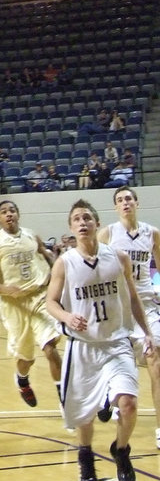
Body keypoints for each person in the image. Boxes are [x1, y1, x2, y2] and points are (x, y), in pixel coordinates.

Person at [46, 199, 154, 481]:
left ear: (96, 224)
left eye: (87, 218)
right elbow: (50, 302)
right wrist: (67, 316)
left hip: (117, 342)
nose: (82, 223)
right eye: (76, 219)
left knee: (129, 404)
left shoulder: (118, 257)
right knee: (84, 414)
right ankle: (85, 456)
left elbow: (133, 298)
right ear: (71, 227)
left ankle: (121, 450)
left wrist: (147, 332)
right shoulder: (64, 262)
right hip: (83, 347)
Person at [98, 186, 160, 449]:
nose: (125, 203)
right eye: (120, 200)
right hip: (118, 308)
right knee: (120, 364)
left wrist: (157, 287)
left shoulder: (152, 233)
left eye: (129, 199)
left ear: (137, 203)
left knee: (156, 361)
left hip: (145, 304)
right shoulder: (108, 234)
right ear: (115, 207)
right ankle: (107, 395)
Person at [0, 200, 62, 407]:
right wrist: (4, 289)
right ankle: (22, 380)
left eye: (12, 210)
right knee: (26, 358)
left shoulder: (31, 236)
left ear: (18, 214)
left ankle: (65, 397)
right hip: (14, 304)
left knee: (50, 347)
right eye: (4, 212)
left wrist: (57, 272)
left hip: (39, 296)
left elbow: (49, 258)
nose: (9, 214)